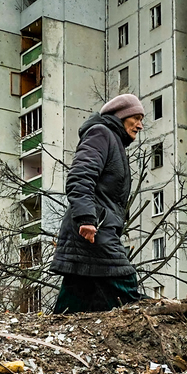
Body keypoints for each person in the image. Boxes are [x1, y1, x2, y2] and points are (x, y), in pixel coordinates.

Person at [49, 94, 146, 313]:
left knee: (75, 301)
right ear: (121, 116)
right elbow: (80, 176)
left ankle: (52, 337)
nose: (140, 125)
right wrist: (86, 218)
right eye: (136, 118)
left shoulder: (114, 142)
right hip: (92, 231)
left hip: (95, 229)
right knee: (124, 281)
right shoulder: (101, 134)